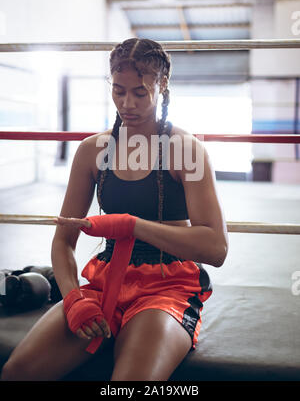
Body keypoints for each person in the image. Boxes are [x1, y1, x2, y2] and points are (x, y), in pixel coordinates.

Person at [1, 38, 229, 381]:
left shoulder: (186, 150)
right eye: (118, 91)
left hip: (167, 286)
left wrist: (132, 225)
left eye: (140, 92)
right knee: (17, 373)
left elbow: (216, 248)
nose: (127, 103)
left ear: (161, 84)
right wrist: (74, 298)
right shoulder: (92, 151)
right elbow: (64, 240)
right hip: (105, 280)